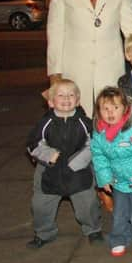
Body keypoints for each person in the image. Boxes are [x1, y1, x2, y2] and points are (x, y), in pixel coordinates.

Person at [26, 79, 103, 249]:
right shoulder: (45, 123)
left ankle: (93, 229)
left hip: (78, 171)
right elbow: (32, 144)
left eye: (71, 95)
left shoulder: (85, 122)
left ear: (77, 100)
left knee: (88, 203)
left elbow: (95, 143)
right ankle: (44, 233)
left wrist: (81, 160)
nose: (66, 98)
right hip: (50, 171)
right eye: (61, 95)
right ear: (51, 102)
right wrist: (47, 154)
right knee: (41, 205)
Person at [90, 87, 132, 257]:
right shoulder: (99, 134)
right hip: (118, 181)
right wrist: (104, 178)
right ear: (99, 112)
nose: (110, 113)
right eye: (106, 109)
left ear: (125, 108)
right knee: (119, 214)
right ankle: (119, 239)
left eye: (115, 108)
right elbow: (99, 157)